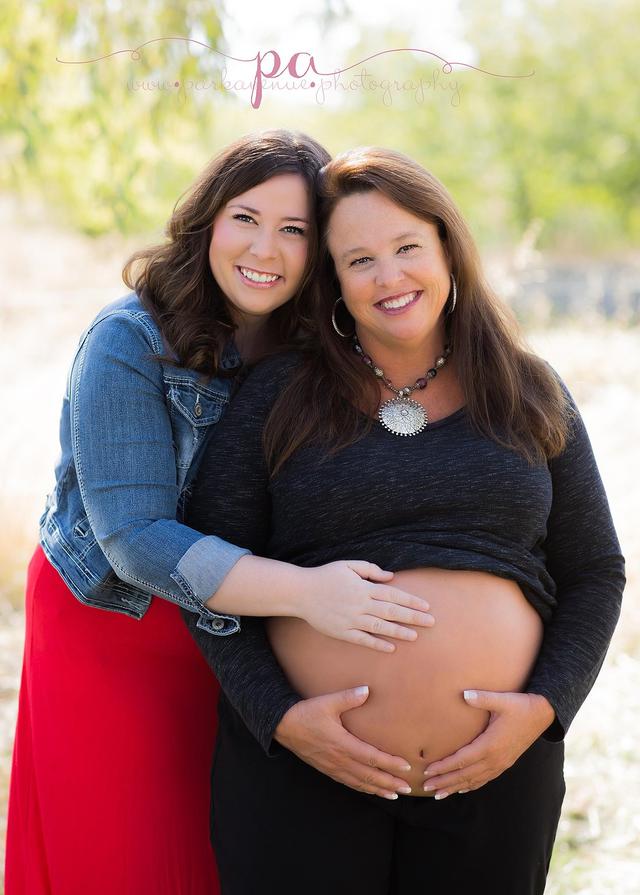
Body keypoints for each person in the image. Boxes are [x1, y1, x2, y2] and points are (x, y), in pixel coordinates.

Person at [181, 147, 625, 895]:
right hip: (300, 780)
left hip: (494, 782)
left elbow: (596, 570)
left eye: (407, 247)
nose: (389, 277)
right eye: (359, 260)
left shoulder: (528, 390)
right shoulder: (277, 395)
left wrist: (545, 709)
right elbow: (204, 569)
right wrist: (279, 716)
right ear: (333, 282)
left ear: (447, 248)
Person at [4, 132, 437, 895]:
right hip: (119, 625)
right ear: (208, 220)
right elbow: (135, 538)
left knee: (221, 854)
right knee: (130, 857)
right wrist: (309, 594)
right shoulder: (129, 339)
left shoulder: (317, 348)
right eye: (246, 218)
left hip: (242, 632)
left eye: (294, 229)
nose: (265, 249)